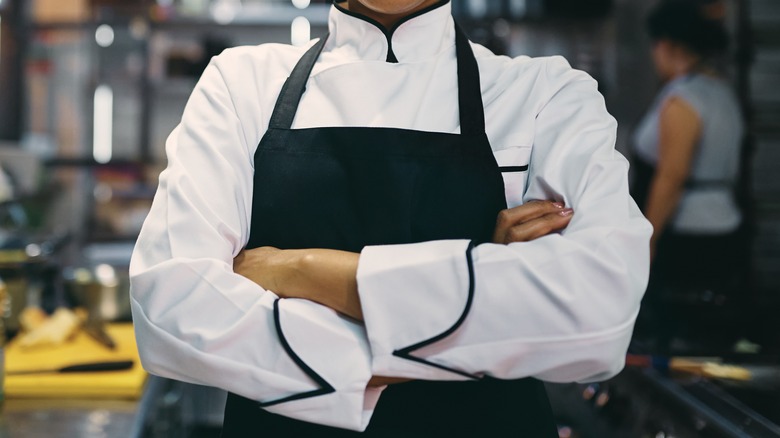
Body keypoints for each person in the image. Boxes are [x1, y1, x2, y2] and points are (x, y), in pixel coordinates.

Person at [129, 0, 651, 435]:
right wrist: (490, 301)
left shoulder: (545, 94)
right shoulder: (241, 84)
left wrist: (304, 270)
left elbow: (598, 312)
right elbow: (171, 309)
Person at [631, 0, 745, 301]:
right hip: (725, 223)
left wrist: (649, 239)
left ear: (666, 45)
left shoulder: (682, 99)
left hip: (686, 235)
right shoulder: (721, 90)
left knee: (680, 326)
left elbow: (672, 176)